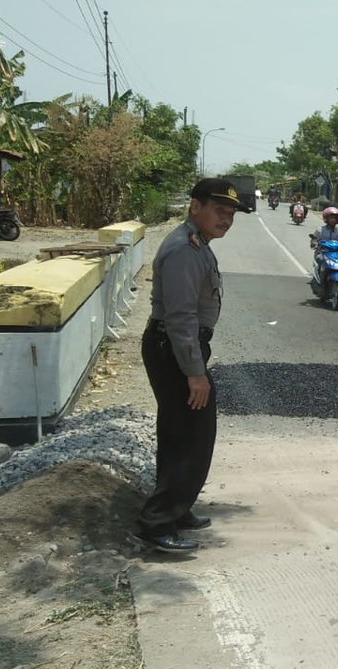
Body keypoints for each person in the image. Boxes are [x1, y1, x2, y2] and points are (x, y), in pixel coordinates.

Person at [132, 178, 250, 553]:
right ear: (195, 206)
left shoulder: (197, 242)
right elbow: (181, 317)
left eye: (231, 213)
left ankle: (176, 508)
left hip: (177, 346)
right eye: (219, 210)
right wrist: (195, 373)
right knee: (191, 437)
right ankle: (157, 523)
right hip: (176, 348)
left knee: (179, 431)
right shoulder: (185, 249)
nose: (226, 219)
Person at [313, 206, 338, 286]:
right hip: (323, 253)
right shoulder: (320, 230)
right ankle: (319, 278)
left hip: (337, 254)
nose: (333, 220)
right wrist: (315, 243)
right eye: (331, 217)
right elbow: (314, 239)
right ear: (326, 218)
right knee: (320, 260)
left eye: (335, 218)